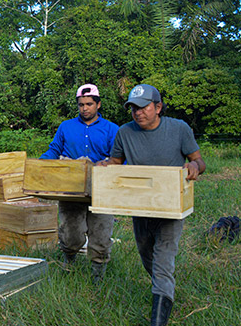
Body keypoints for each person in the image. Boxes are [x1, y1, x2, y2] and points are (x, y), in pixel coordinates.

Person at [98, 84, 205, 326]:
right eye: (133, 108)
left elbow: (198, 160)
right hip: (140, 206)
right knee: (147, 254)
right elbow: (115, 161)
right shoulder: (125, 132)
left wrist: (194, 167)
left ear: (158, 107)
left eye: (143, 107)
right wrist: (106, 166)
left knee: (163, 259)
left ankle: (158, 319)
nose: (137, 112)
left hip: (170, 206)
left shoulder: (178, 129)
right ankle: (162, 283)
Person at [39, 83, 119, 282]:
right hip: (71, 187)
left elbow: (120, 158)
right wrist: (41, 163)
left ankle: (97, 274)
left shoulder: (111, 129)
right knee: (70, 232)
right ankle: (69, 262)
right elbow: (54, 150)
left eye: (89, 104)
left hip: (101, 189)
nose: (85, 108)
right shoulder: (66, 126)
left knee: (100, 233)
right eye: (81, 104)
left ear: (98, 105)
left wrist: (107, 164)